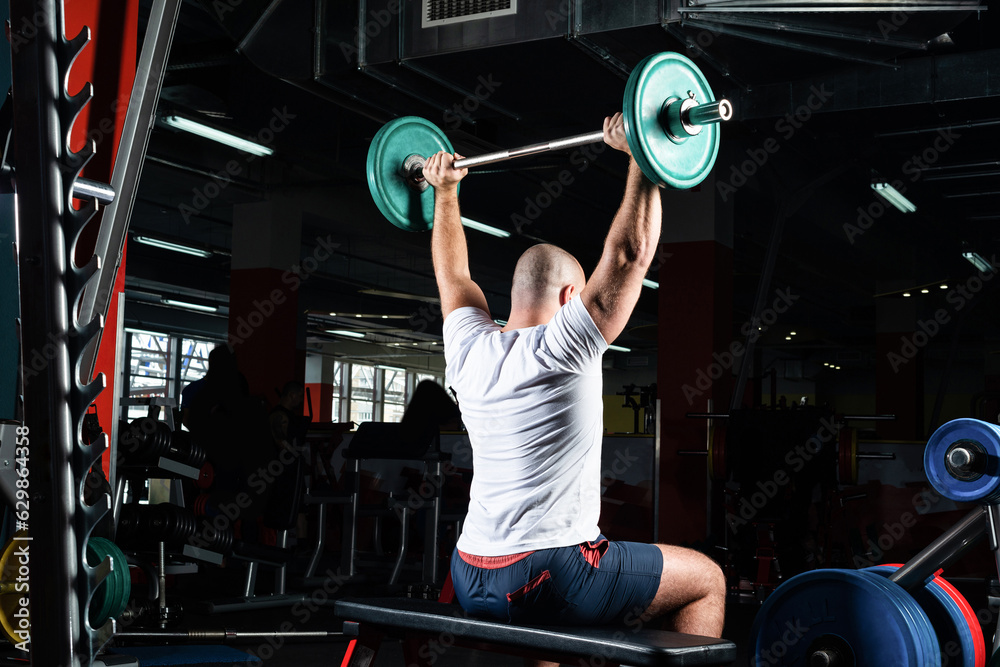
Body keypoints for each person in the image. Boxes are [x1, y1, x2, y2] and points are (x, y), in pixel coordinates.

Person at [423, 113, 725, 646]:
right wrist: (642, 158)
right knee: (706, 580)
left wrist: (444, 192)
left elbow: (454, 275)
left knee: (552, 636)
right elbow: (629, 257)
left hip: (470, 571)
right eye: (581, 296)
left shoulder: (468, 348)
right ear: (569, 299)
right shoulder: (564, 346)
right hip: (553, 573)